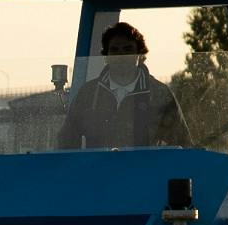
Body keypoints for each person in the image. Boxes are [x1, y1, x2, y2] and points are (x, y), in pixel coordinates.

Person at [58, 22, 185, 150]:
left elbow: (182, 143)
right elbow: (66, 142)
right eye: (114, 50)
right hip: (99, 163)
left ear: (140, 55)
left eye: (127, 49)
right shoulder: (89, 93)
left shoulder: (159, 94)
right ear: (106, 56)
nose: (121, 56)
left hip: (145, 163)